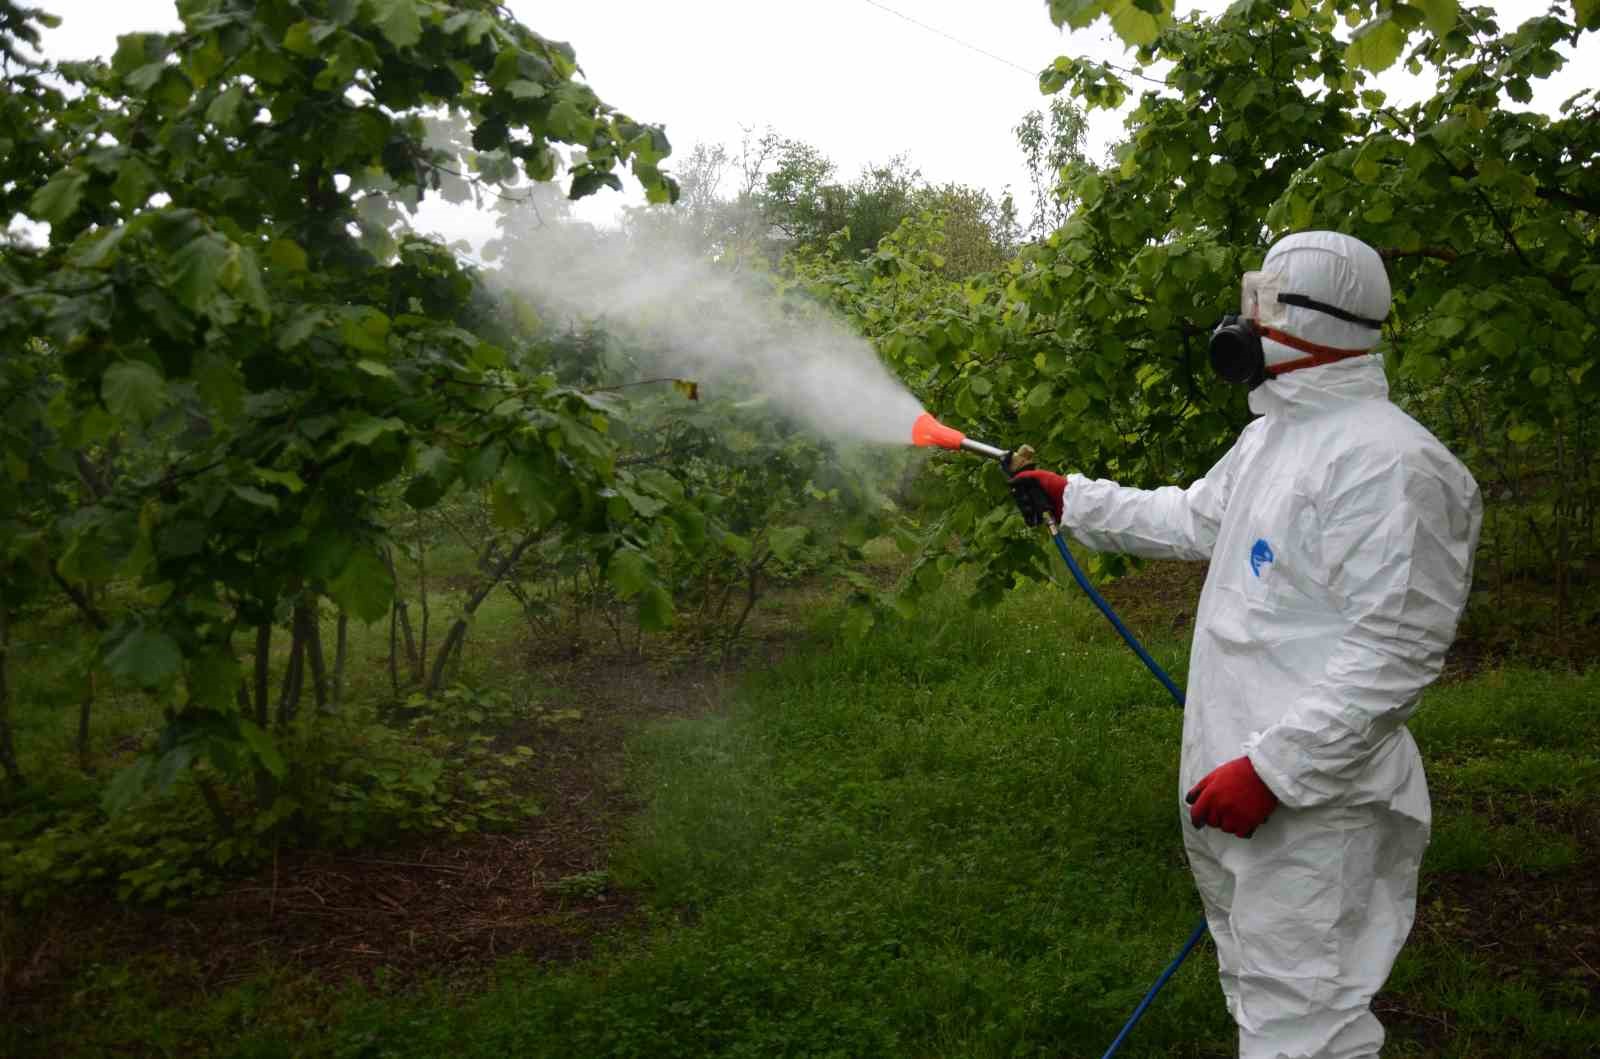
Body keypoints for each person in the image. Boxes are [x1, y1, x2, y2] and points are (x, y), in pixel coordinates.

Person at [1011, 231, 1481, 1059]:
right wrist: (1074, 499)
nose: (1243, 323)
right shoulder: (1276, 434)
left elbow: (1394, 653)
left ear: (1311, 323)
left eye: (1262, 306)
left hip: (1313, 808)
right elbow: (1193, 516)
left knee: (1307, 1026)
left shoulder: (1395, 465)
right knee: (1259, 998)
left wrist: (1273, 771)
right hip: (1235, 786)